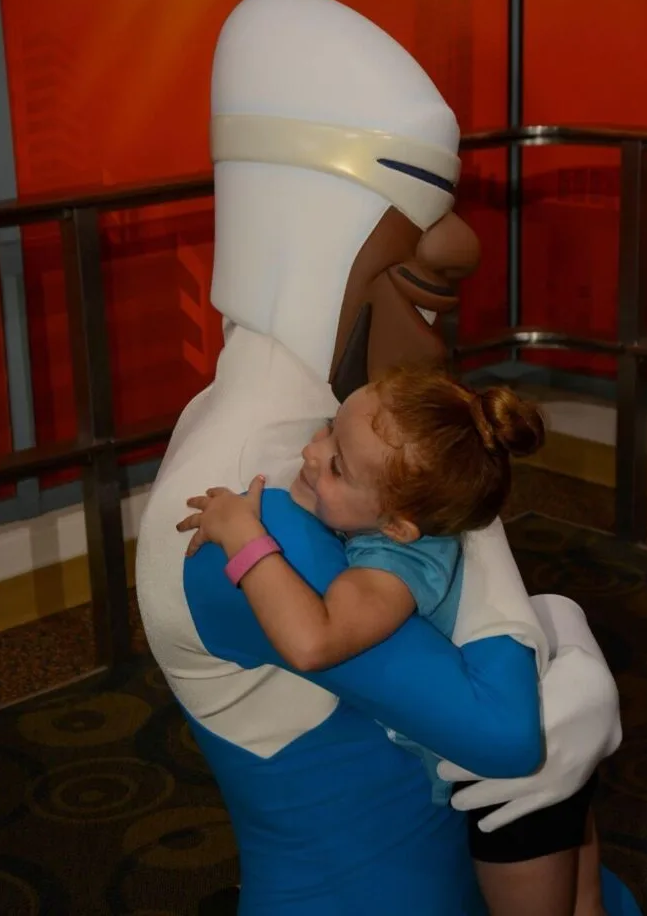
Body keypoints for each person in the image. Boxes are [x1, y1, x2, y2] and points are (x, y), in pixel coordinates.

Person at [136, 0, 637, 915]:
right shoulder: (264, 497)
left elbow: (431, 538)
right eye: (426, 293)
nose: (436, 347)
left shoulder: (336, 451)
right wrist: (558, 647)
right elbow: (498, 731)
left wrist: (556, 629)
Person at [177, 362, 606, 916]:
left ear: (399, 525)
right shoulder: (404, 511)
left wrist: (245, 539)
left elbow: (314, 640)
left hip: (516, 799)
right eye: (329, 428)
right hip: (555, 724)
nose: (310, 454)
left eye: (336, 467)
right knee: (587, 900)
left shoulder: (391, 567)